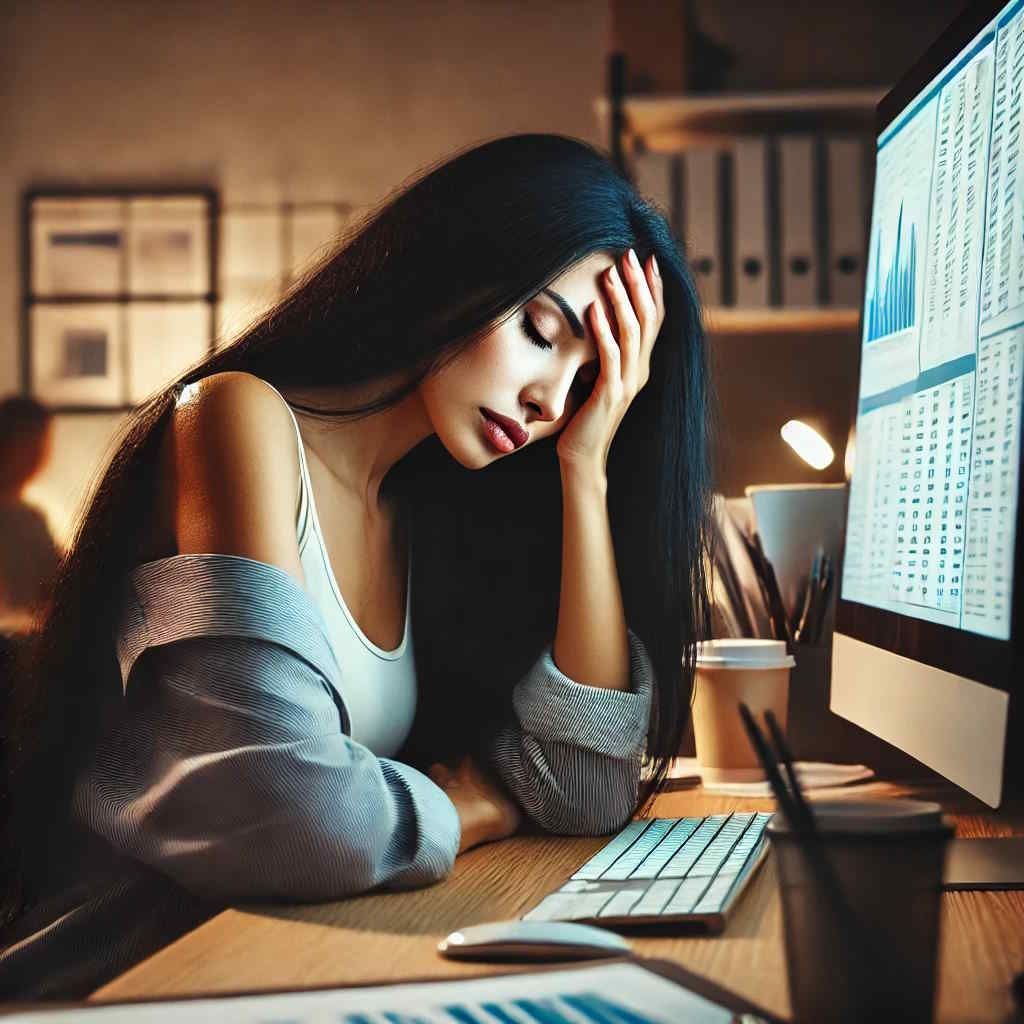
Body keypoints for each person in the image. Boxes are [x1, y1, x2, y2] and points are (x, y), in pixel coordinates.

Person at [0, 133, 716, 997]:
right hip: (116, 987)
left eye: (587, 384)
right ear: (459, 264)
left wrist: (586, 463)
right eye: (540, 332)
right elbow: (289, 817)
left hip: (274, 971)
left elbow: (586, 786)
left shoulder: (426, 514)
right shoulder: (241, 422)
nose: (549, 402)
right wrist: (472, 806)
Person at [0, 396, 61, 634]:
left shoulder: (32, 517)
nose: (40, 453)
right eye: (31, 442)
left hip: (30, 638)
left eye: (43, 442)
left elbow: (52, 579)